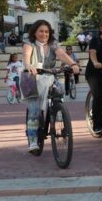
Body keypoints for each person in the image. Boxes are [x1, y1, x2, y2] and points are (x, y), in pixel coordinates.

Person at [22, 20, 80, 153]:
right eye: (41, 31)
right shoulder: (29, 43)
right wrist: (29, 65)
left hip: (49, 76)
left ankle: (58, 114)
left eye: (47, 31)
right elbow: (26, 56)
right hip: (32, 78)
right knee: (34, 110)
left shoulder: (53, 43)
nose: (44, 34)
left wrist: (72, 64)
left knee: (58, 93)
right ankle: (32, 141)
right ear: (35, 32)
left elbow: (62, 54)